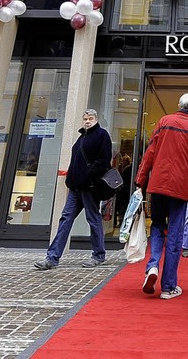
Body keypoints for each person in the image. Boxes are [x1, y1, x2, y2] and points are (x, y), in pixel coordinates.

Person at [135, 93, 188, 299]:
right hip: (180, 188)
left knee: (156, 225)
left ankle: (153, 265)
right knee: (175, 234)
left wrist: (140, 182)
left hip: (158, 184)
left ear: (178, 105)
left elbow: (150, 153)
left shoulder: (163, 121)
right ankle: (169, 286)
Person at [34, 109, 112, 270]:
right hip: (76, 188)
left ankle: (98, 255)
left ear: (96, 119)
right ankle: (52, 257)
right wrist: (71, 180)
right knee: (65, 219)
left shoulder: (102, 135)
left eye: (90, 118)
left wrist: (88, 177)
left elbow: (104, 160)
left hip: (89, 187)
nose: (87, 121)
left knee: (93, 219)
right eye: (85, 118)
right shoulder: (81, 137)